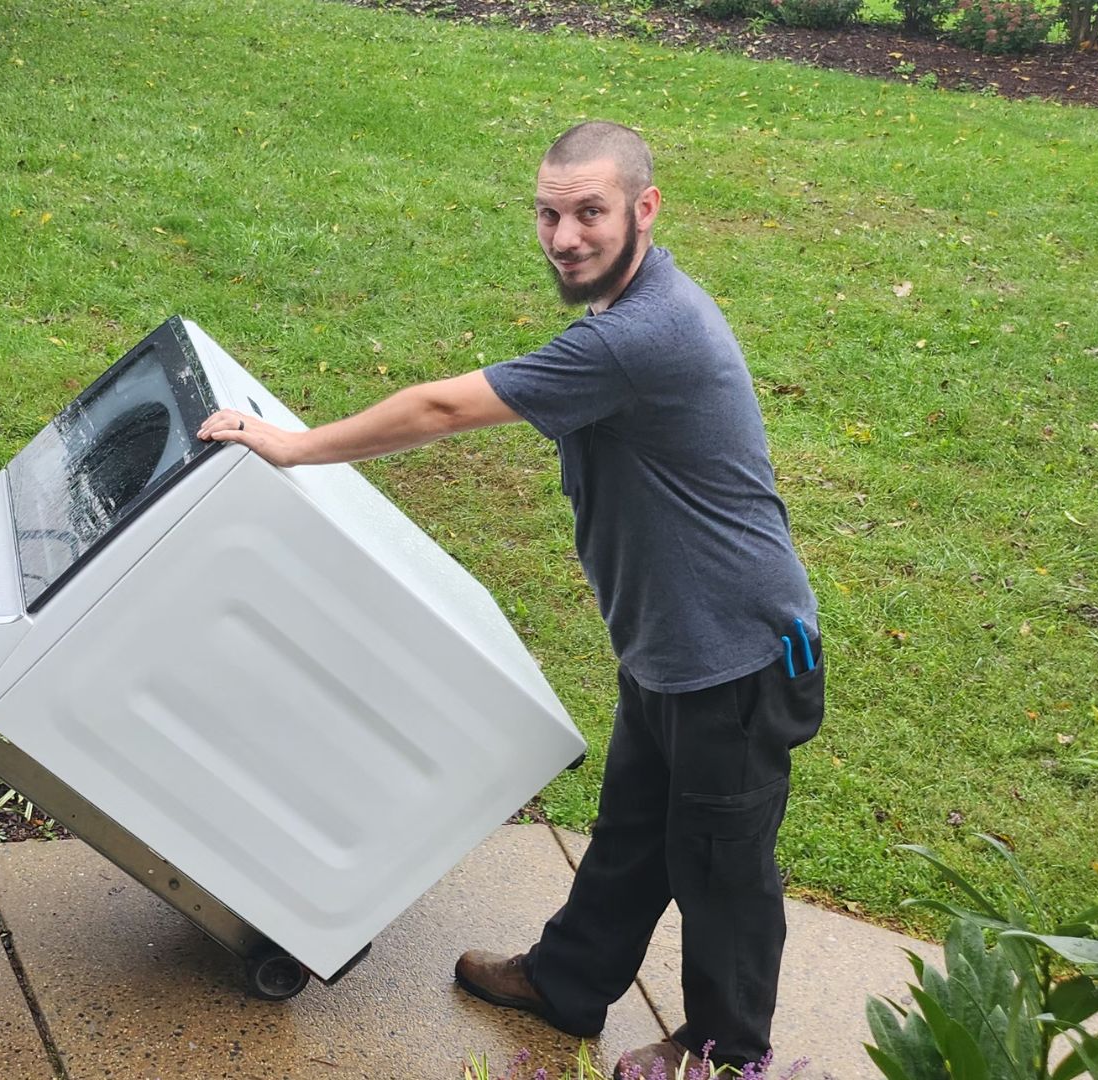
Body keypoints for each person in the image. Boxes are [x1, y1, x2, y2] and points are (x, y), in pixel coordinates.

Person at [198, 121, 823, 1073]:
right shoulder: (634, 310)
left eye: (590, 213)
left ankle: (727, 1051)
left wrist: (291, 443)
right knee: (631, 831)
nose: (565, 236)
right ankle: (569, 982)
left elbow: (445, 408)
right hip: (672, 644)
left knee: (719, 866)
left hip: (734, 659)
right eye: (549, 213)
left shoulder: (642, 336)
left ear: (644, 210)